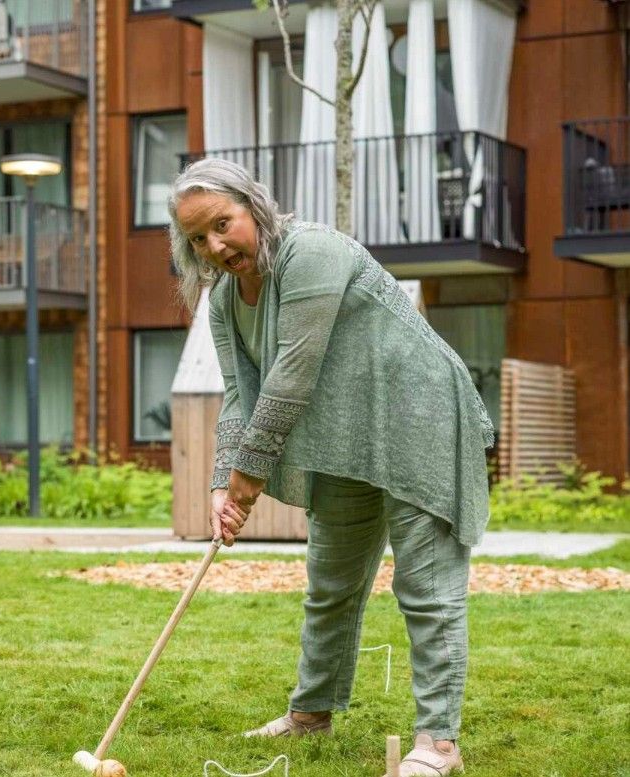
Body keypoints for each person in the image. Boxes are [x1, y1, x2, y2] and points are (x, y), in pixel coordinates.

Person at [170, 158, 492, 777]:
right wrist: (220, 485)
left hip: (418, 417)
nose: (214, 245)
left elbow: (292, 373)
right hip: (344, 438)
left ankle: (438, 744)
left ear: (252, 206)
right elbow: (240, 393)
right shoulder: (222, 303)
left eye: (221, 224)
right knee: (330, 584)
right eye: (196, 238)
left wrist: (249, 476)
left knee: (426, 589)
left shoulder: (311, 251)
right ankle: (311, 713)